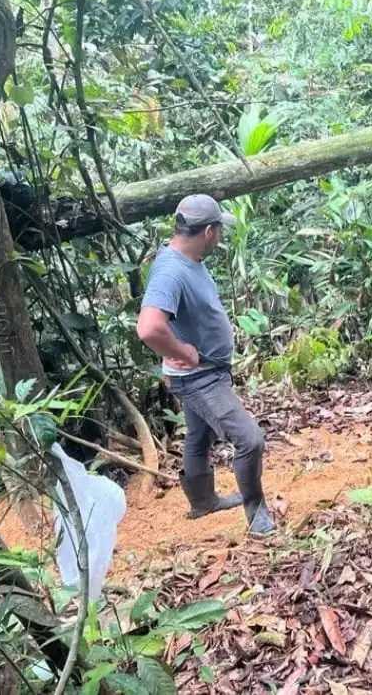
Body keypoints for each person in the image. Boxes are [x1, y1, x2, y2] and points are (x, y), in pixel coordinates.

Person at [136, 194, 275, 537]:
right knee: (250, 440)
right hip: (198, 378)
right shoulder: (171, 271)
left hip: (202, 373)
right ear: (209, 232)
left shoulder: (185, 259)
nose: (220, 236)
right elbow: (149, 328)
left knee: (199, 436)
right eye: (220, 230)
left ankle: (203, 501)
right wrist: (183, 351)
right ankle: (257, 513)